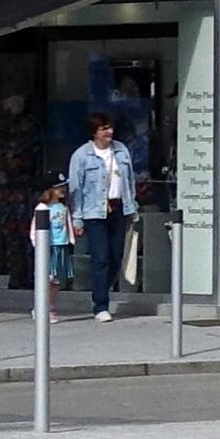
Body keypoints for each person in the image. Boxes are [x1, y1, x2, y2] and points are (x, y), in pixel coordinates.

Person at [66, 114, 135, 319]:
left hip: (119, 207)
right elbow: (75, 189)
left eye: (110, 128)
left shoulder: (121, 150)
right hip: (94, 211)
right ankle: (100, 305)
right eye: (104, 129)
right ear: (94, 132)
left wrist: (133, 208)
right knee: (100, 257)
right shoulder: (82, 155)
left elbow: (129, 180)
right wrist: (77, 218)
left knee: (116, 255)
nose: (109, 132)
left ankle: (101, 290)